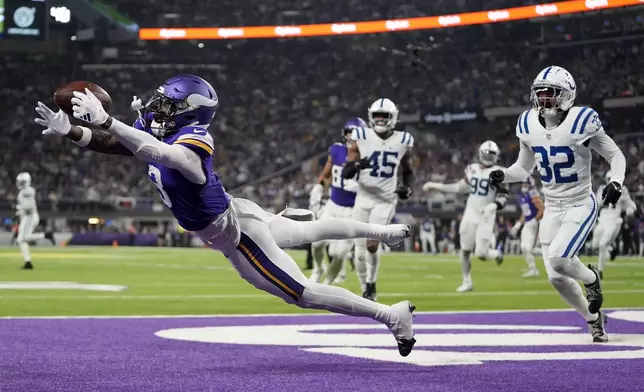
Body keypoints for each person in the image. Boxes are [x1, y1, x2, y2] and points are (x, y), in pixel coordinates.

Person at [34, 75, 416, 356]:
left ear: (188, 112)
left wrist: (104, 119)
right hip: (235, 210)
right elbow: (119, 144)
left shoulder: (194, 139)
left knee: (302, 293)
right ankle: (381, 231)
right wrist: (73, 131)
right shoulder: (157, 129)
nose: (156, 107)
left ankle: (391, 315)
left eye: (167, 104)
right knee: (308, 230)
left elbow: (163, 155)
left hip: (235, 234)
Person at [488, 65, 626, 342]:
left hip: (579, 203)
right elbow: (523, 169)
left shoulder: (582, 120)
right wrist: (504, 173)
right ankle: (594, 319)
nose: (544, 99)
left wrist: (616, 182)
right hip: (551, 207)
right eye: (540, 94)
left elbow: (616, 155)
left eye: (550, 93)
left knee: (561, 259)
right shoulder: (527, 123)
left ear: (566, 94)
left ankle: (591, 279)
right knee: (556, 277)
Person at [342, 98, 415, 301]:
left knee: (372, 244)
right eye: (377, 115)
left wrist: (408, 188)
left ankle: (372, 283)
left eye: (385, 115)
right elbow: (347, 171)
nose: (381, 119)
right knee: (358, 248)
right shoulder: (361, 136)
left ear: (393, 117)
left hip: (385, 199)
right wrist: (357, 166)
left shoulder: (403, 140)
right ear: (371, 117)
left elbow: (408, 170)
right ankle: (365, 286)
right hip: (363, 197)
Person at [423, 141, 508, 292]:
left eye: (491, 154)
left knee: (481, 254)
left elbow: (503, 196)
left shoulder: (500, 172)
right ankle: (467, 281)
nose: (488, 157)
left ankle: (495, 253)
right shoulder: (472, 168)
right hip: (470, 212)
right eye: (486, 153)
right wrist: (434, 185)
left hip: (487, 215)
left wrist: (494, 205)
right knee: (465, 250)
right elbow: (458, 188)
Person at [308, 117, 365, 285]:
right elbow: (326, 173)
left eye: (355, 133)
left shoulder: (369, 157)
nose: (351, 136)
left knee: (340, 254)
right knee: (317, 243)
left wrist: (361, 187)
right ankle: (318, 269)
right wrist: (318, 187)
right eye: (348, 132)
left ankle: (327, 285)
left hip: (352, 212)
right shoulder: (336, 150)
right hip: (333, 206)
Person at [591, 171, 636, 278]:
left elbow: (630, 204)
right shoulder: (602, 188)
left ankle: (600, 271)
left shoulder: (623, 190)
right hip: (602, 219)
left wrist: (630, 210)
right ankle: (611, 251)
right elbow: (597, 204)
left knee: (602, 244)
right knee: (595, 246)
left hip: (614, 220)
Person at [14, 172, 55, 269]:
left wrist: (20, 208)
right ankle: (28, 262)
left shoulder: (27, 191)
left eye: (22, 182)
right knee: (21, 240)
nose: (20, 183)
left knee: (23, 239)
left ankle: (46, 235)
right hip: (27, 217)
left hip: (30, 217)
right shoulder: (24, 191)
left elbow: (29, 207)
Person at [509, 176, 544, 277]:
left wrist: (535, 220)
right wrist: (518, 225)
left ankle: (555, 255)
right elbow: (525, 213)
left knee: (530, 248)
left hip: (534, 224)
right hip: (527, 223)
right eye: (522, 184)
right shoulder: (523, 195)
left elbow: (542, 209)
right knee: (524, 248)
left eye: (525, 184)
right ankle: (533, 269)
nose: (523, 186)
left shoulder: (533, 194)